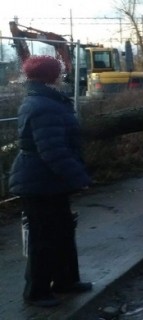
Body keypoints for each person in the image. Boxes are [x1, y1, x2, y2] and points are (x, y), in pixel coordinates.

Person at [9, 56, 93, 307]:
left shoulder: (45, 100)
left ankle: (66, 280)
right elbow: (52, 150)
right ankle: (36, 292)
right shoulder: (43, 105)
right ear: (50, 76)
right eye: (59, 72)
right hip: (39, 182)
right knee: (43, 238)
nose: (63, 75)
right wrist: (80, 178)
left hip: (48, 181)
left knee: (62, 231)